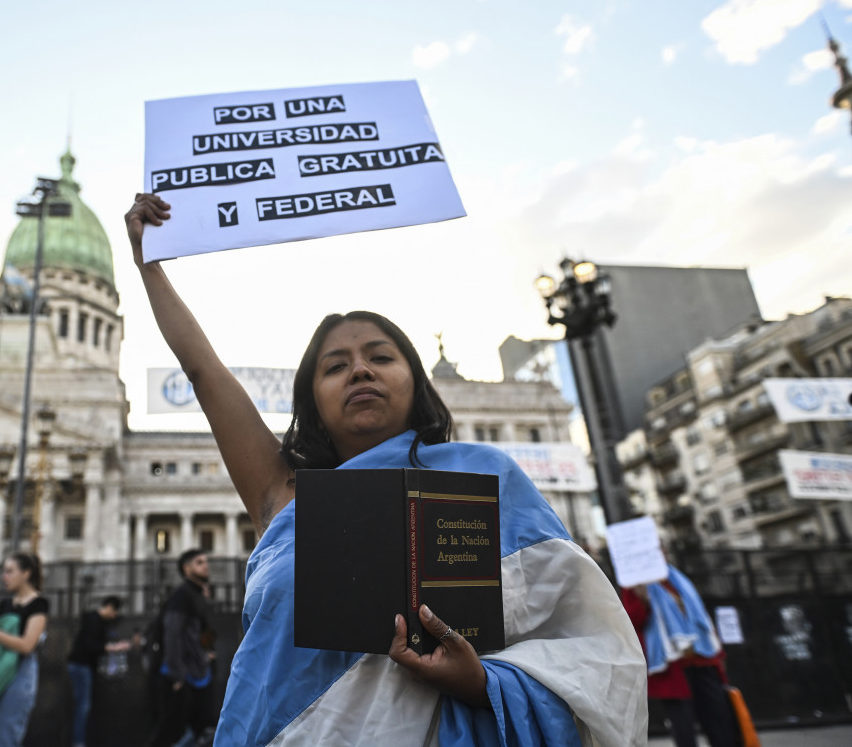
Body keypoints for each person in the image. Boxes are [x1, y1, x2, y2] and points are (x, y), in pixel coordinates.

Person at [125, 193, 647, 746]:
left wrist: (481, 682)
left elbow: (581, 640)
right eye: (335, 366)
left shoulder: (483, 477)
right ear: (313, 401)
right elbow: (203, 371)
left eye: (380, 356)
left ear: (414, 382)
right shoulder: (285, 497)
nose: (359, 371)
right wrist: (149, 264)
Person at [622, 570, 740, 747]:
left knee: (720, 721)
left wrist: (718, 654)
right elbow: (633, 622)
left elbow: (701, 615)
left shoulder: (677, 578)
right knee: (684, 728)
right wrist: (643, 599)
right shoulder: (634, 583)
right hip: (673, 667)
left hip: (704, 659)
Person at [0, 552, 49, 747]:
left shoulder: (39, 604)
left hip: (18, 673)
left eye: (9, 571)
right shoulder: (4, 603)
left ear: (25, 574)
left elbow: (26, 645)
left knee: (5, 735)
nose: (3, 577)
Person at [145, 551, 216, 747]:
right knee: (169, 733)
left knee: (203, 732)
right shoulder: (182, 595)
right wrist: (177, 677)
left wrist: (207, 652)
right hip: (182, 678)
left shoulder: (197, 595)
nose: (205, 566)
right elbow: (172, 634)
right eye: (199, 562)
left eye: (206, 562)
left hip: (197, 676)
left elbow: (203, 631)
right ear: (187, 569)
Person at [67, 595, 130, 747]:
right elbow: (90, 645)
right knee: (83, 705)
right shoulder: (95, 621)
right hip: (82, 665)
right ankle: (79, 741)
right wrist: (113, 647)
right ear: (109, 607)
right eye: (115, 612)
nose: (114, 616)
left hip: (81, 665)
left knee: (83, 704)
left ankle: (80, 739)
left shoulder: (94, 620)